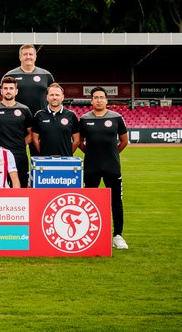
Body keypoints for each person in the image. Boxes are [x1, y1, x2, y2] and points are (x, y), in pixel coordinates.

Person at [79, 86, 129, 249]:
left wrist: (112, 154)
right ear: (91, 101)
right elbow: (80, 142)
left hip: (112, 167)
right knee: (89, 202)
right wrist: (92, 153)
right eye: (96, 97)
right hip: (91, 167)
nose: (99, 100)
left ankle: (118, 236)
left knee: (116, 202)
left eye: (101, 97)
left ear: (106, 100)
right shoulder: (84, 119)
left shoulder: (117, 118)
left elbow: (124, 141)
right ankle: (89, 235)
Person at [0, 77, 33, 188]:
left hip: (19, 154)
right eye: (5, 88)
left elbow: (31, 133)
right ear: (1, 91)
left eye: (11, 88)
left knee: (21, 186)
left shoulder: (24, 109)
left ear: (16, 91)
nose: (8, 91)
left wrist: (21, 143)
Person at [4, 44, 55, 117]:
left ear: (35, 57)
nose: (28, 57)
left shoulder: (46, 75)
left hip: (42, 117)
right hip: (17, 117)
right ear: (20, 57)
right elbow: (3, 97)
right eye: (25, 54)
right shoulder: (10, 75)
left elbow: (53, 96)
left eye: (31, 54)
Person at [32, 83, 80, 156]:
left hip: (65, 160)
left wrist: (68, 153)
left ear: (62, 97)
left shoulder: (71, 115)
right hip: (45, 160)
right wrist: (42, 153)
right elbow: (35, 139)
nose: (54, 97)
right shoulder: (39, 115)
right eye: (51, 95)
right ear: (47, 97)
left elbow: (77, 140)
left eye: (57, 95)